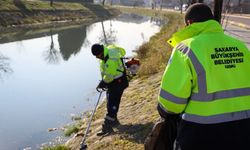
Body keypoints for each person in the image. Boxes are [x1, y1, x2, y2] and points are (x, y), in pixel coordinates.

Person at [157, 3, 250, 150]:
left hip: (201, 134)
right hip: (244, 132)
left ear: (189, 23)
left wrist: (163, 110)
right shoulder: (241, 46)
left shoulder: (185, 49)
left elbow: (171, 103)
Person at [91, 44, 129, 136]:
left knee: (112, 105)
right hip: (113, 82)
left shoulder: (111, 59)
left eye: (97, 55)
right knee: (110, 103)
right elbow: (107, 73)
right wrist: (104, 82)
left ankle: (107, 127)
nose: (97, 57)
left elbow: (109, 76)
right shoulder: (105, 55)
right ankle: (115, 123)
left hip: (118, 82)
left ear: (101, 52)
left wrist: (102, 84)